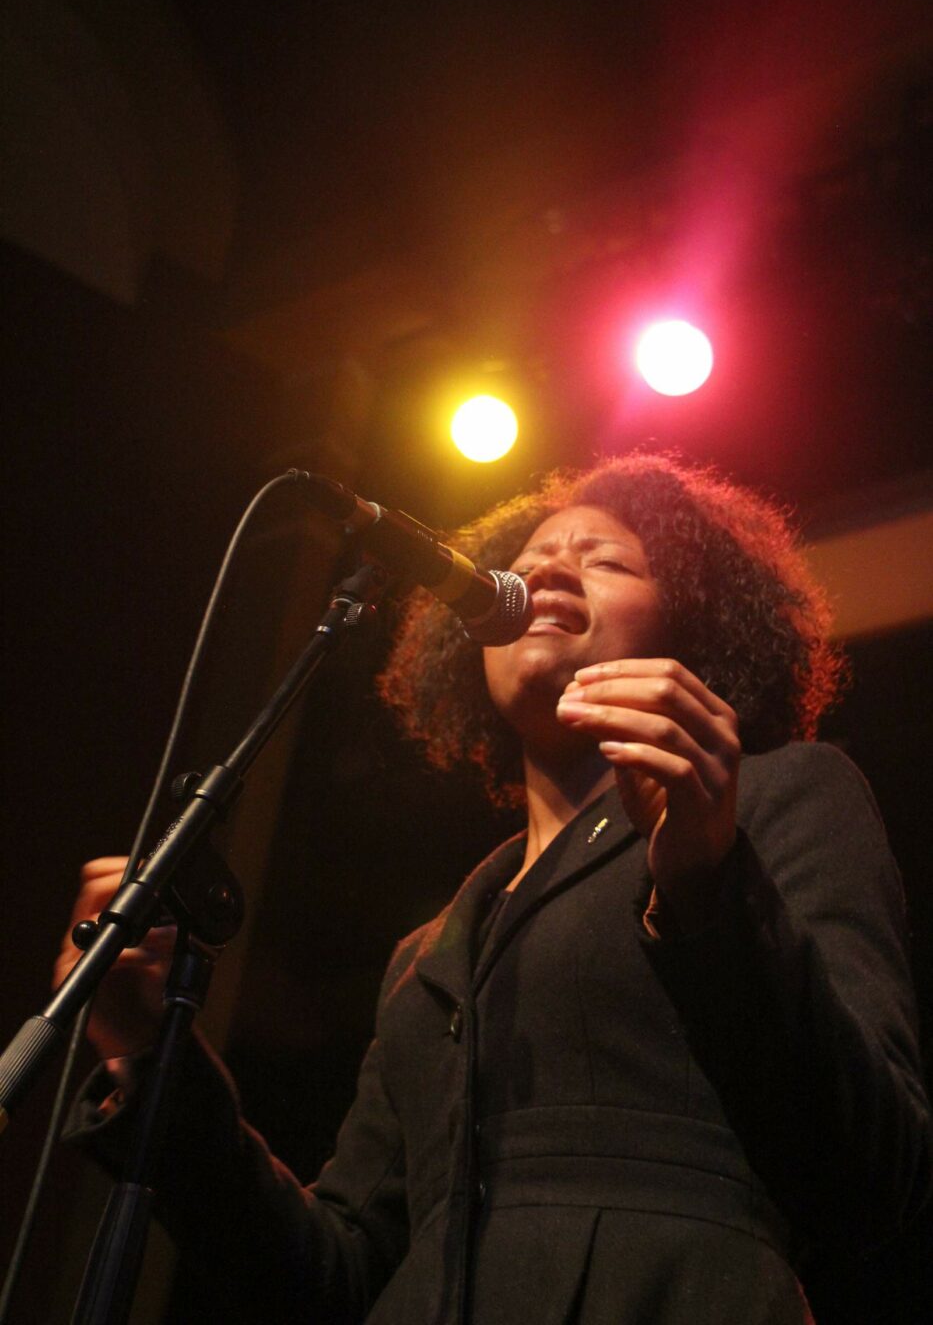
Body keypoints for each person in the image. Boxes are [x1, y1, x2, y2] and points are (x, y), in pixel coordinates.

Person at [57, 452, 932, 1324]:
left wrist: (708, 883)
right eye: (527, 561)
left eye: (608, 560)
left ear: (695, 623)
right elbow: (333, 1280)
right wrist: (151, 1060)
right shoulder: (428, 952)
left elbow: (869, 1172)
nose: (547, 566)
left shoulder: (782, 797)